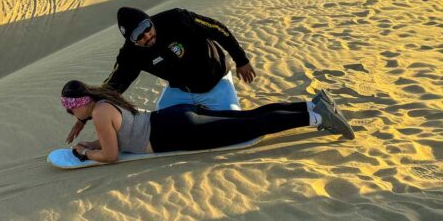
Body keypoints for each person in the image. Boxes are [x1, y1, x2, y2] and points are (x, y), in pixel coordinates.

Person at [66, 5, 255, 145]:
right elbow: (115, 84)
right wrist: (86, 114)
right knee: (166, 126)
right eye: (138, 36)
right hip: (180, 90)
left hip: (215, 83)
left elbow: (217, 29)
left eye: (147, 28)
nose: (147, 36)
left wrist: (241, 59)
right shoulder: (130, 54)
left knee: (232, 129)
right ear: (131, 40)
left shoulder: (177, 18)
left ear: (150, 20)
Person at [60, 79, 355, 164]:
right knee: (248, 116)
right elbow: (116, 137)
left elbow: (111, 156)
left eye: (69, 111)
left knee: (249, 127)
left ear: (79, 105)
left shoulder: (98, 114)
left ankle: (317, 118)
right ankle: (311, 104)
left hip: (173, 134)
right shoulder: (104, 103)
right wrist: (93, 143)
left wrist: (87, 152)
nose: (71, 117)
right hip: (173, 117)